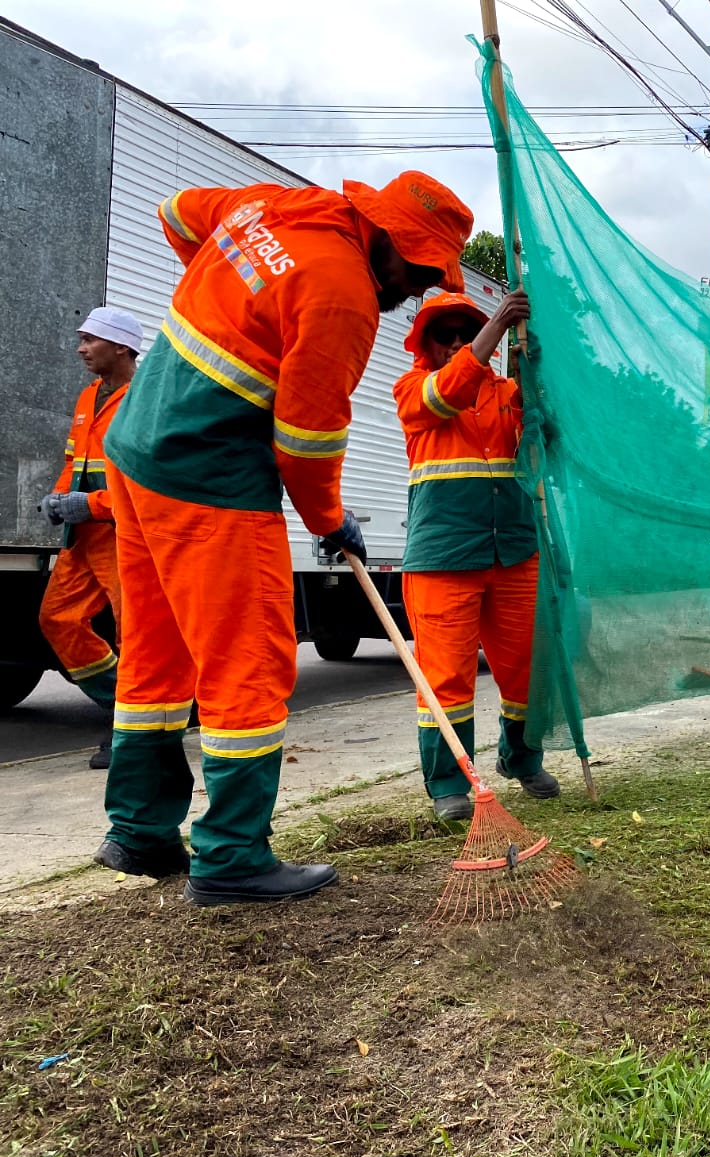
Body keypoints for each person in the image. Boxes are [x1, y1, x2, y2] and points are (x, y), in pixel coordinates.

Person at [95, 171, 474, 905]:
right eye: (424, 270)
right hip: (210, 470)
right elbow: (305, 440)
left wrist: (237, 300)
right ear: (391, 242)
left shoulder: (272, 204)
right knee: (248, 663)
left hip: (137, 448)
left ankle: (139, 830)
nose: (423, 289)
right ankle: (232, 856)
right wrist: (331, 522)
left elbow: (174, 209)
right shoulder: (343, 295)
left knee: (156, 651)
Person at [393, 289, 559, 821]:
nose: (459, 342)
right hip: (443, 555)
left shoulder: (510, 391)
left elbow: (548, 445)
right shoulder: (414, 388)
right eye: (447, 334)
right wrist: (497, 326)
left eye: (468, 330)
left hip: (514, 549)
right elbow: (447, 394)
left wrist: (537, 392)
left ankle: (521, 758)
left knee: (526, 670)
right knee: (445, 678)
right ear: (427, 343)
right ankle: (449, 781)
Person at [37, 308, 143, 769]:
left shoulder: (144, 398)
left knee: (134, 636)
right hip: (84, 540)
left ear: (120, 347)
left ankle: (134, 732)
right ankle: (119, 704)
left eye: (90, 340)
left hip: (126, 538)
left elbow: (146, 484)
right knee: (58, 619)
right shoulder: (88, 397)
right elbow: (74, 459)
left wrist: (92, 505)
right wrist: (59, 498)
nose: (81, 349)